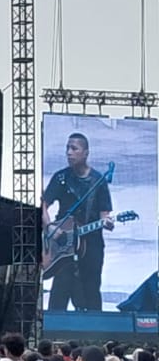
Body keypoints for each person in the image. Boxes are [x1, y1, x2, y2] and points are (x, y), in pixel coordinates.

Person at [42, 132, 114, 311]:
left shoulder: (98, 181)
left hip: (91, 242)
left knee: (91, 286)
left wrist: (107, 222)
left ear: (86, 153)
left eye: (74, 148)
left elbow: (105, 214)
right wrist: (50, 227)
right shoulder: (61, 178)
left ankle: (95, 332)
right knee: (60, 287)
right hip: (63, 241)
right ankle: (54, 332)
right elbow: (42, 206)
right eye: (67, 148)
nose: (69, 152)